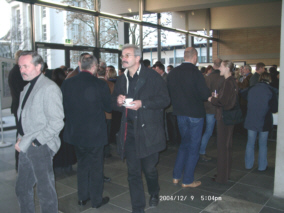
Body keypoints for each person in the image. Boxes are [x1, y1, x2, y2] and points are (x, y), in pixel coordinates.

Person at [112, 44, 170, 213]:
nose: (123, 58)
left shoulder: (152, 76)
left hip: (148, 131)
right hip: (129, 131)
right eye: (122, 55)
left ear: (137, 58)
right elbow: (112, 102)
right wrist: (117, 100)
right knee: (133, 172)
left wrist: (143, 104)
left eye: (127, 55)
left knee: (150, 169)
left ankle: (154, 191)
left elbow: (165, 100)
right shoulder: (122, 79)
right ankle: (137, 208)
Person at [15, 51, 64, 212]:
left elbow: (56, 121)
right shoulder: (28, 86)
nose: (22, 70)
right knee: (22, 188)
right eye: (20, 66)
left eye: (25, 66)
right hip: (26, 144)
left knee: (45, 191)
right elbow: (24, 117)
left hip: (40, 145)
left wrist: (37, 142)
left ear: (38, 66)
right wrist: (20, 138)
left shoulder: (49, 87)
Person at [61, 54, 111, 208]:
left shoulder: (67, 84)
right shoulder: (100, 84)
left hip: (76, 132)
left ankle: (82, 197)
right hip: (95, 133)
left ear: (79, 64)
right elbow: (108, 108)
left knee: (82, 165)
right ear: (95, 66)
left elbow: (63, 108)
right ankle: (96, 200)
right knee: (96, 167)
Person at [167, 47, 210, 188]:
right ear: (195, 56)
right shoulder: (196, 73)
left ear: (184, 56)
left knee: (184, 145)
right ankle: (188, 180)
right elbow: (204, 95)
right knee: (193, 147)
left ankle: (176, 176)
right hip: (195, 114)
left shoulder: (173, 73)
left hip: (180, 113)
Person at [208, 60, 238, 183]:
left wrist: (212, 99)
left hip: (224, 118)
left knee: (223, 147)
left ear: (226, 67)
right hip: (228, 117)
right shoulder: (232, 81)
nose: (219, 68)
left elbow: (223, 101)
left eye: (220, 66)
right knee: (226, 147)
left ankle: (222, 177)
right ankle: (224, 175)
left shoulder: (228, 82)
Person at [244, 73, 278, 171]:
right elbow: (274, 109)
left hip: (251, 119)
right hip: (264, 121)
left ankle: (248, 165)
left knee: (250, 143)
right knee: (263, 144)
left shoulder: (251, 88)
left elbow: (244, 96)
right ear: (269, 79)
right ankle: (262, 166)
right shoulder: (271, 90)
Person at [51, 68, 77, 173]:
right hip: (66, 117)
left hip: (56, 118)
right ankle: (68, 165)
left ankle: (57, 165)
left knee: (58, 142)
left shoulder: (51, 86)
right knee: (67, 144)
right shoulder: (66, 85)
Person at [200, 58, 224, 161]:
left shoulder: (208, 78)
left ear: (214, 66)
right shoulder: (224, 77)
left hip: (210, 108)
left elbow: (204, 93)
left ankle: (202, 151)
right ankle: (222, 152)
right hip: (221, 107)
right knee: (222, 131)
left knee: (208, 131)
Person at [8, 50, 28, 171]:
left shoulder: (14, 71)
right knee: (21, 135)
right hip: (21, 106)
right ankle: (20, 163)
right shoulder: (18, 72)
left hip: (18, 106)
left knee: (21, 134)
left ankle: (20, 163)